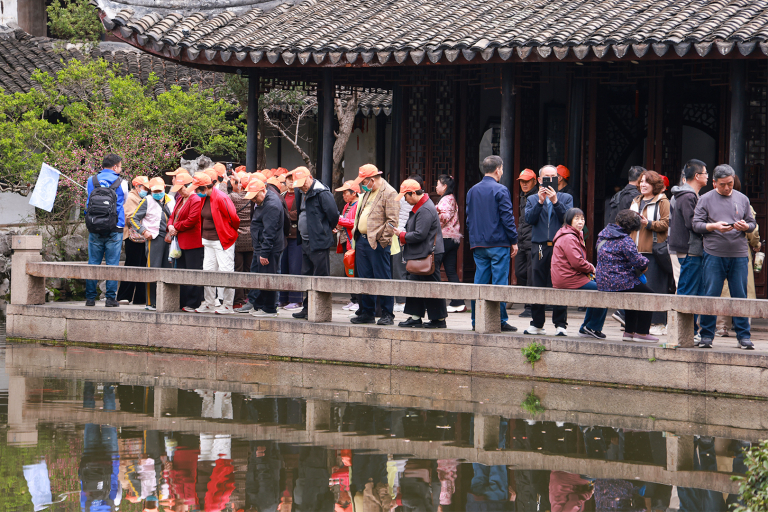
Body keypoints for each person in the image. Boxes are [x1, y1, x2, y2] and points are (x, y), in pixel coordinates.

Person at [693, 164, 756, 349]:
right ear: (714, 183)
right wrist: (714, 226)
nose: (727, 188)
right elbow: (696, 225)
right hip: (714, 253)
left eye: (730, 183)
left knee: (740, 296)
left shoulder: (742, 198)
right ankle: (706, 336)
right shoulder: (705, 199)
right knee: (710, 295)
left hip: (739, 254)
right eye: (722, 184)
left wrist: (746, 227)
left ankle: (743, 336)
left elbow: (752, 224)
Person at [465, 155, 519, 332]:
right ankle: (500, 320)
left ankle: (476, 320)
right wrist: (514, 240)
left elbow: (469, 219)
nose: (502, 171)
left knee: (479, 283)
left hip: (478, 244)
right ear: (498, 169)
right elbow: (507, 218)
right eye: (502, 168)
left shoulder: (472, 190)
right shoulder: (501, 190)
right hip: (498, 243)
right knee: (499, 283)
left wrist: (474, 238)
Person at [524, 165, 573, 336]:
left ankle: (561, 324)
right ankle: (537, 323)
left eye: (554, 176)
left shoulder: (566, 198)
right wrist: (540, 201)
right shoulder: (532, 199)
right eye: (547, 177)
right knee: (537, 283)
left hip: (559, 245)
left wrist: (555, 201)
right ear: (539, 180)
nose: (551, 179)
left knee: (560, 283)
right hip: (539, 245)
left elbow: (568, 219)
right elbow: (529, 219)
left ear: (558, 179)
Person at [394, 179, 448, 328]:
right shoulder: (420, 206)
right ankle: (415, 317)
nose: (405, 200)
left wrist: (402, 235)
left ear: (412, 193)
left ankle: (439, 320)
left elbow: (420, 234)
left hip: (429, 253)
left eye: (406, 196)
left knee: (432, 287)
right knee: (415, 285)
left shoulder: (425, 208)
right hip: (421, 252)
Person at [596, 210, 657, 341]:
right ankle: (641, 333)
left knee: (634, 295)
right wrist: (645, 263)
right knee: (650, 295)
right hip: (620, 281)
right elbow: (638, 261)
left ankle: (629, 332)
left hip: (602, 281)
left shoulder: (603, 235)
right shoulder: (625, 240)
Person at [350, 164, 399, 326]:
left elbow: (392, 221)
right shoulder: (368, 192)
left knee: (383, 278)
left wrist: (383, 241)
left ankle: (387, 313)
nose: (362, 185)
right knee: (365, 278)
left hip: (377, 242)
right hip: (362, 240)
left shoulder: (389, 192)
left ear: (371, 179)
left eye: (364, 181)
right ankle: (367, 312)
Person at [291, 166, 339, 320]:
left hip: (319, 240)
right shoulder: (300, 191)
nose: (301, 187)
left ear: (310, 177)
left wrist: (323, 229)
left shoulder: (322, 193)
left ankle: (320, 310)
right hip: (305, 240)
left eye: (303, 183)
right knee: (306, 275)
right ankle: (307, 308)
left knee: (320, 275)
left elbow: (333, 215)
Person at [716, 174, 761, 338]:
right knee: (743, 288)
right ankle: (744, 327)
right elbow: (753, 229)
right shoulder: (744, 202)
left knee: (722, 288)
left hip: (718, 250)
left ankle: (722, 326)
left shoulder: (713, 201)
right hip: (740, 250)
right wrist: (756, 244)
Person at [552, 208, 607, 339]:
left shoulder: (572, 234)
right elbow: (577, 262)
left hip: (569, 276)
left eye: (582, 219)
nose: (580, 221)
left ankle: (587, 327)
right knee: (603, 290)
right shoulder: (569, 237)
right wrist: (592, 268)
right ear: (569, 221)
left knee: (598, 287)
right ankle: (592, 326)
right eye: (576, 218)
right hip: (568, 278)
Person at [191, 172, 240, 315]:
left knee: (226, 271)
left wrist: (228, 232)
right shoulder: (203, 198)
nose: (195, 192)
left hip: (223, 239)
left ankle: (227, 304)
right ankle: (209, 303)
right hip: (208, 240)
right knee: (208, 271)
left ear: (205, 188)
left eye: (197, 189)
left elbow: (234, 218)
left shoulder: (221, 197)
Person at [669, 159, 707, 343]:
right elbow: (692, 224)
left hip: (687, 248)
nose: (708, 176)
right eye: (706, 173)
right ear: (697, 176)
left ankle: (689, 332)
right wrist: (712, 225)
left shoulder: (684, 194)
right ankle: (683, 333)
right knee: (687, 291)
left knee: (690, 290)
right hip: (690, 248)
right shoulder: (688, 196)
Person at [629, 170, 670, 336]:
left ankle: (658, 322)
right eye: (641, 181)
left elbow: (666, 223)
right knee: (636, 288)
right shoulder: (635, 200)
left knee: (655, 288)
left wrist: (649, 224)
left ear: (655, 185)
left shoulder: (662, 201)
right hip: (635, 252)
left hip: (653, 251)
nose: (643, 185)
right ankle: (637, 324)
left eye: (647, 182)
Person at [85, 154, 126, 308]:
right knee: (112, 264)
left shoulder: (91, 180)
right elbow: (124, 202)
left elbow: (89, 199)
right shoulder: (122, 183)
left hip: (94, 226)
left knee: (93, 262)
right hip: (115, 227)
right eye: (120, 166)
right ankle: (110, 299)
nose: (120, 169)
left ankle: (90, 299)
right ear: (115, 167)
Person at [128, 177, 172, 311]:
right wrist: (143, 231)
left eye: (159, 190)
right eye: (154, 190)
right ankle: (150, 302)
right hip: (153, 238)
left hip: (168, 238)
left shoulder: (170, 199)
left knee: (167, 270)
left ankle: (165, 301)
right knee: (153, 269)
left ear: (164, 188)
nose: (157, 193)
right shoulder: (147, 200)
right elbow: (133, 218)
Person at [243, 178, 285, 317]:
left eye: (255, 196)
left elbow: (270, 232)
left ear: (263, 191)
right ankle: (260, 305)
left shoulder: (271, 204)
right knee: (261, 276)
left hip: (269, 247)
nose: (254, 200)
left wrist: (264, 253)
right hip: (262, 246)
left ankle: (270, 308)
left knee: (268, 278)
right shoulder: (264, 200)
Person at [168, 171, 203, 312]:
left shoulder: (195, 199)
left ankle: (194, 302)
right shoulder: (179, 199)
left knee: (193, 272)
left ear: (189, 186)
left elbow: (192, 220)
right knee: (181, 272)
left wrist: (175, 227)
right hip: (180, 241)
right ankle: (182, 301)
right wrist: (170, 225)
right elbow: (172, 215)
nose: (180, 192)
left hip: (193, 242)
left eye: (182, 189)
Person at [435, 174, 465, 313]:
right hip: (452, 239)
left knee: (433, 269)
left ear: (445, 186)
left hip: (444, 238)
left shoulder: (446, 199)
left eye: (438, 184)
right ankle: (458, 302)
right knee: (450, 270)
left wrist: (434, 213)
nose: (436, 187)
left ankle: (434, 301)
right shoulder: (451, 198)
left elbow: (444, 217)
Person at [117, 175, 149, 306]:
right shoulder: (131, 198)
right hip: (133, 237)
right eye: (145, 187)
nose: (147, 190)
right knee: (132, 264)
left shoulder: (142, 198)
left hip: (143, 236)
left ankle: (140, 297)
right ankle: (124, 296)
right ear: (137, 187)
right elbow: (129, 218)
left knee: (143, 265)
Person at [277, 172, 304, 311]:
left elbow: (300, 213)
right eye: (288, 180)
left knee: (295, 268)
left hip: (296, 237)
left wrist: (285, 214)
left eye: (293, 180)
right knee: (284, 267)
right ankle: (283, 298)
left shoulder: (301, 196)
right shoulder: (281, 196)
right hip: (284, 236)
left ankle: (296, 299)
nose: (291, 183)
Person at [228, 172, 254, 308]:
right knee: (249, 269)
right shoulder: (253, 198)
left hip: (237, 237)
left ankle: (238, 300)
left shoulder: (233, 197)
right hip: (251, 238)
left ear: (239, 185)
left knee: (237, 268)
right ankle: (249, 298)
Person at [335, 180, 361, 311]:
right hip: (346, 241)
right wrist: (339, 226)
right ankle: (353, 299)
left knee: (354, 270)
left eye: (346, 192)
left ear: (354, 193)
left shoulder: (358, 204)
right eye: (343, 193)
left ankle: (358, 300)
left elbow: (355, 223)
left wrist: (340, 221)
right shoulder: (347, 205)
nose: (344, 195)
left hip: (353, 242)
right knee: (348, 271)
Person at [516, 168, 538, 318]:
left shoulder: (538, 197)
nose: (524, 184)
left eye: (527, 181)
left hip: (533, 240)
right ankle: (527, 302)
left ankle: (530, 306)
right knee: (520, 272)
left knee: (531, 274)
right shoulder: (523, 197)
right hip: (521, 239)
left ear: (534, 181)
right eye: (522, 181)